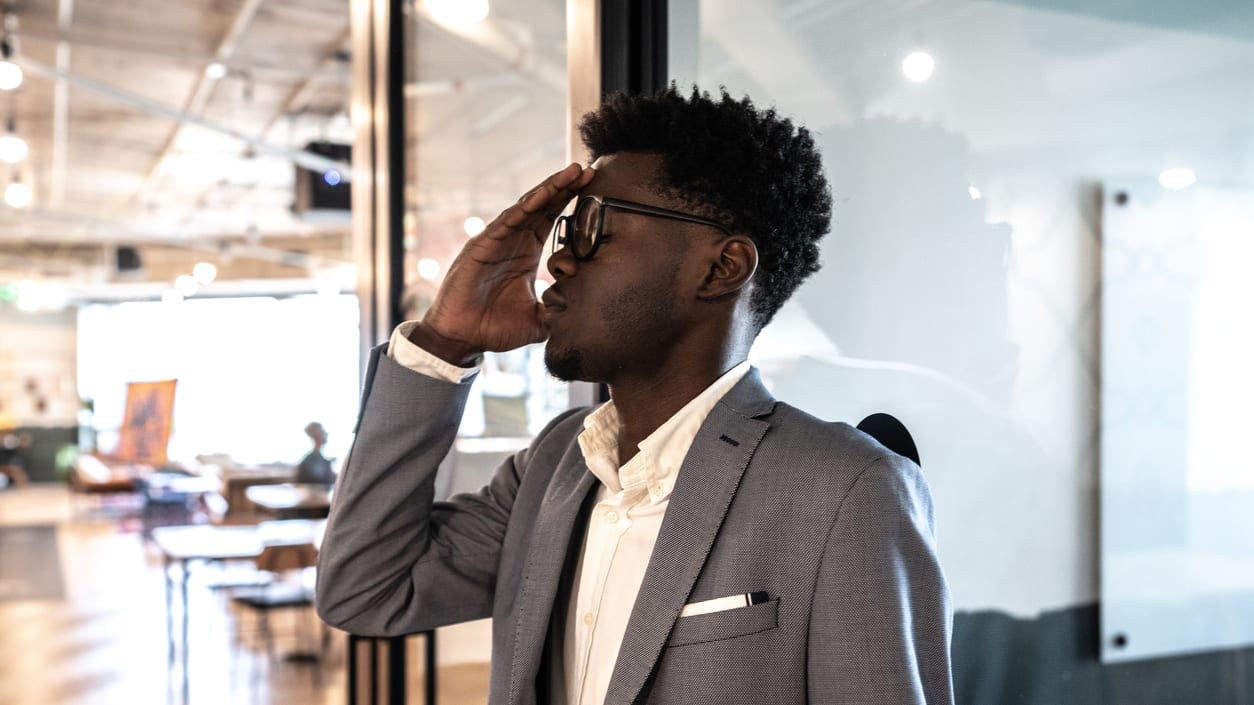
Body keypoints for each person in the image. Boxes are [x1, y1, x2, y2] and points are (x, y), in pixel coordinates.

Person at [316, 87, 954, 705]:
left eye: (594, 227)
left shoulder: (846, 489)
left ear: (722, 267)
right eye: (564, 232)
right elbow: (365, 589)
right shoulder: (555, 466)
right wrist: (442, 344)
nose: (559, 261)